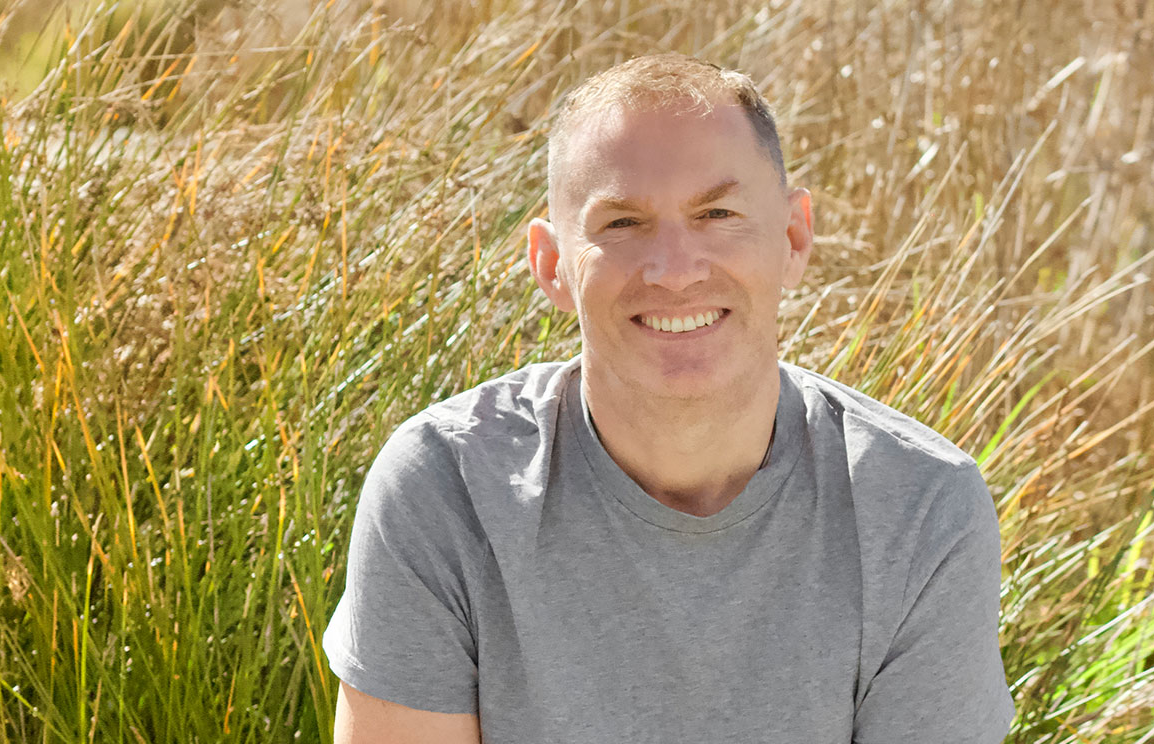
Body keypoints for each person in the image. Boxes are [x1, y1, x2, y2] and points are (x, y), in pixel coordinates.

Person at [322, 52, 1015, 743]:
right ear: (550, 264)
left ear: (794, 237)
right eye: (622, 223)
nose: (675, 270)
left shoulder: (920, 507)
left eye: (717, 213)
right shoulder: (445, 488)